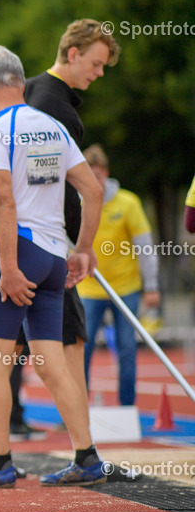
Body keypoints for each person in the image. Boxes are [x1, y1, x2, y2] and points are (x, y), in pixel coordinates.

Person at [0, 46, 107, 488]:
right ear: (20, 82)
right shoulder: (54, 126)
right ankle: (87, 456)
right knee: (51, 362)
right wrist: (83, 250)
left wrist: (6, 268)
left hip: (16, 253)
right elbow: (93, 192)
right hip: (54, 256)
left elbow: (3, 200)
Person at [75, 144, 160, 406]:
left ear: (107, 173)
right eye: (89, 176)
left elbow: (145, 246)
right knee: (82, 351)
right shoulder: (75, 203)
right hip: (89, 288)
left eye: (98, 176)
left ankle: (127, 408)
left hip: (126, 288)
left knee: (127, 349)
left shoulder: (128, 203)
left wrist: (152, 286)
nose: (95, 182)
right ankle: (79, 413)